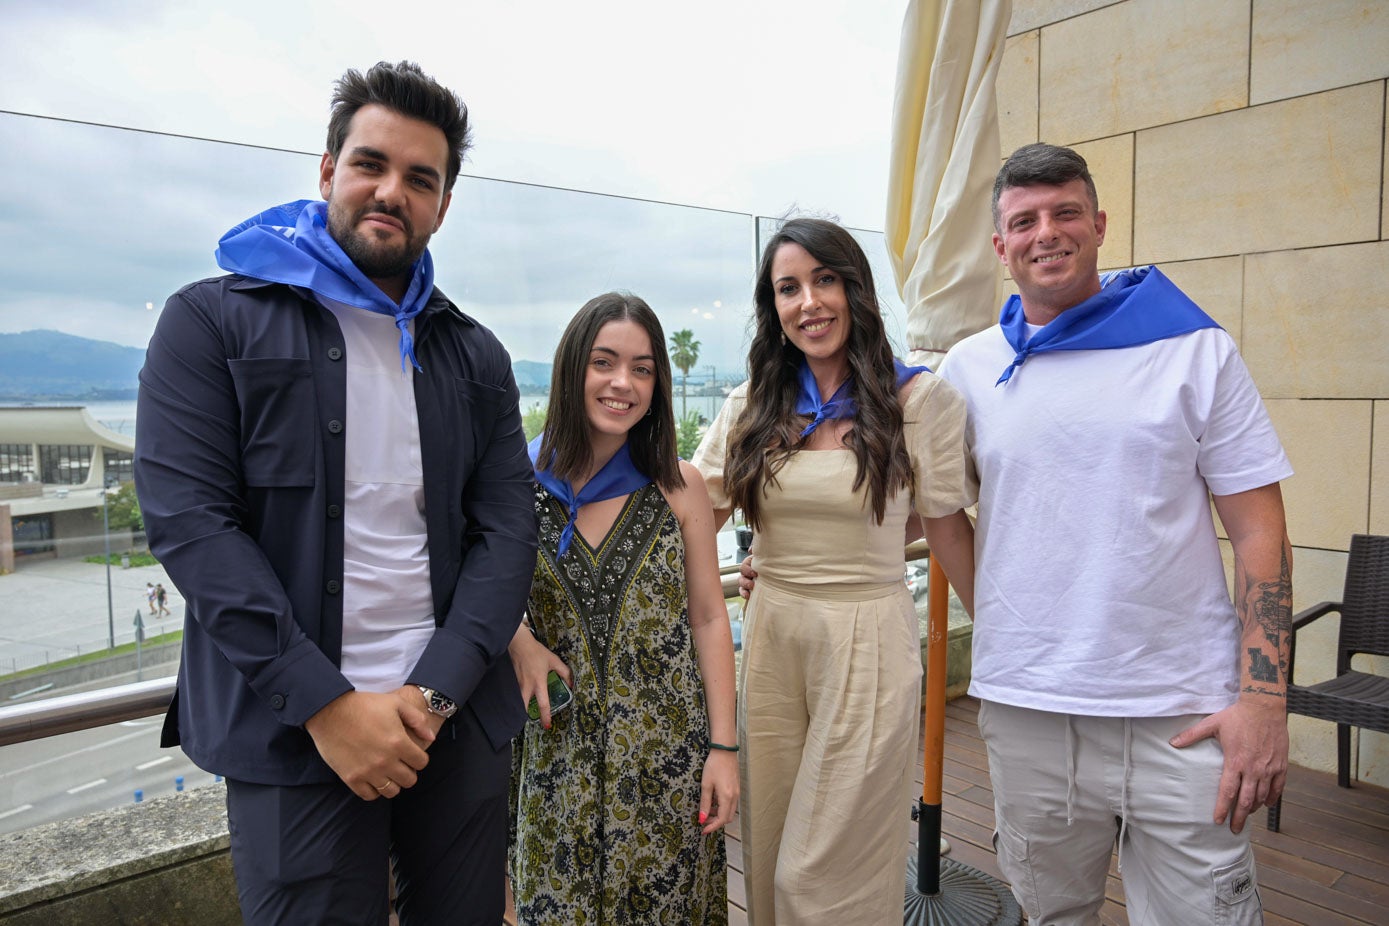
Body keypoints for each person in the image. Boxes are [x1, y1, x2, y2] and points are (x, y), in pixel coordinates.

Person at [134, 61, 538, 925]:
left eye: (419, 179)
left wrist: (430, 697)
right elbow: (192, 524)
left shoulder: (475, 356)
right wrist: (326, 705)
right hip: (293, 736)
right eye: (370, 165)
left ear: (442, 205)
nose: (391, 191)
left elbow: (507, 536)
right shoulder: (211, 322)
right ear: (327, 172)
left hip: (453, 724)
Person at [935, 143, 1293, 924]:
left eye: (1065, 212)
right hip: (1029, 710)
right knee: (1049, 913)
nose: (1045, 233)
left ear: (1098, 225)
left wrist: (1263, 702)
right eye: (1022, 221)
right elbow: (931, 512)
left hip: (1182, 708)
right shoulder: (968, 369)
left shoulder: (1193, 348)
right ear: (1000, 247)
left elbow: (1259, 530)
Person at [694, 218, 976, 924]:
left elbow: (946, 530)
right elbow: (690, 514)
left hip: (868, 640)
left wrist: (1013, 646)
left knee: (818, 874)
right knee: (767, 848)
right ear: (772, 307)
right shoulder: (749, 408)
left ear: (855, 290)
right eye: (787, 288)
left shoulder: (920, 403)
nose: (808, 302)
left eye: (824, 280)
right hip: (770, 637)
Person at [508, 292, 737, 925]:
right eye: (605, 362)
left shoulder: (678, 483)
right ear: (571, 368)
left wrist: (724, 748)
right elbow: (472, 586)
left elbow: (710, 617)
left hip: (666, 754)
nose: (622, 383)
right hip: (559, 751)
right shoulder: (517, 480)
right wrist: (519, 641)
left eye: (642, 368)